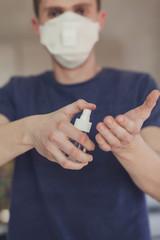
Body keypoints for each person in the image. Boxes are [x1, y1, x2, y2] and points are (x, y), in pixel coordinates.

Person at [0, 0, 160, 239]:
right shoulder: (17, 91)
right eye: (55, 13)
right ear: (38, 26)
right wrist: (29, 130)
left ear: (100, 20)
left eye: (81, 10)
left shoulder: (138, 88)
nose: (68, 23)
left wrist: (130, 146)